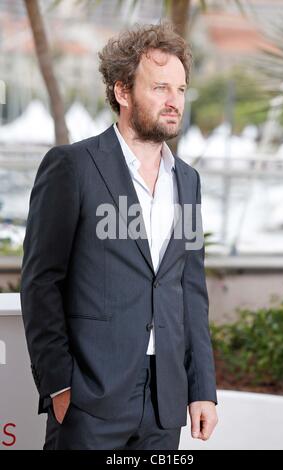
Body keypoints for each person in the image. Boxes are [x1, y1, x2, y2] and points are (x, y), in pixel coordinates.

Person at [20, 21, 218, 450]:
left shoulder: (188, 181)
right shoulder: (71, 166)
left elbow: (190, 289)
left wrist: (202, 386)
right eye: (161, 88)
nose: (174, 102)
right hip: (90, 399)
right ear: (122, 91)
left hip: (165, 403)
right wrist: (58, 384)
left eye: (181, 90)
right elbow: (40, 282)